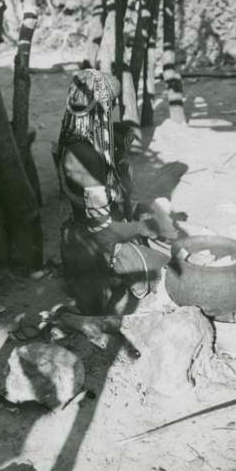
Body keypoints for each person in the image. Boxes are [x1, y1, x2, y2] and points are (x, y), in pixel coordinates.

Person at [56, 69, 170, 315]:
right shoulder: (85, 155)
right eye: (111, 105)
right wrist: (140, 227)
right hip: (94, 247)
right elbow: (102, 226)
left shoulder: (74, 138)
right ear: (101, 106)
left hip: (83, 233)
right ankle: (112, 279)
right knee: (166, 270)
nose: (113, 111)